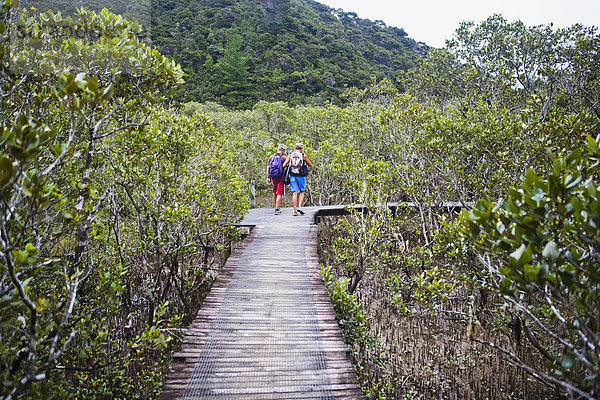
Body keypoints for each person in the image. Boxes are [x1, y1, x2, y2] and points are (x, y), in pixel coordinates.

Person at [282, 143, 313, 216]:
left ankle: (295, 210)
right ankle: (300, 206)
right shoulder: (303, 155)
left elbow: (284, 165)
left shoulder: (290, 155)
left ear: (295, 148)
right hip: (301, 176)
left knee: (294, 193)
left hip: (292, 176)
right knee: (302, 191)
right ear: (301, 148)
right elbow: (310, 164)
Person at [266, 144, 287, 215]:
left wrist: (268, 177)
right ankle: (277, 209)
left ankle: (276, 206)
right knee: (279, 193)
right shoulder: (283, 157)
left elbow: (268, 168)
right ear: (283, 150)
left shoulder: (271, 157)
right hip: (280, 177)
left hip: (273, 177)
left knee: (274, 191)